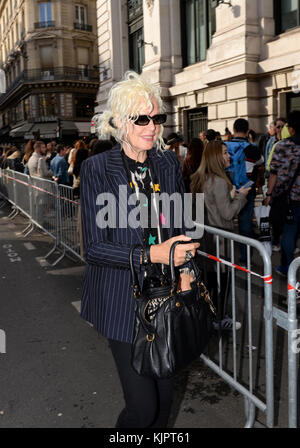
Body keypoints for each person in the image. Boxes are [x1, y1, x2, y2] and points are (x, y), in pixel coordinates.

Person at [80, 71, 199, 428]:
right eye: (141, 119)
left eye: (156, 118)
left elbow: (180, 225)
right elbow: (96, 249)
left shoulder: (167, 163)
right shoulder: (97, 169)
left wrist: (186, 268)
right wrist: (152, 254)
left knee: (164, 405)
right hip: (122, 301)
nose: (152, 127)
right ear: (118, 122)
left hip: (164, 298)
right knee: (142, 408)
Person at [190, 140, 250, 329]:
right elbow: (227, 213)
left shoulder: (199, 178)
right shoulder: (219, 181)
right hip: (221, 241)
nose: (229, 156)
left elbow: (210, 206)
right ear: (216, 157)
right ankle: (219, 319)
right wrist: (242, 196)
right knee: (222, 284)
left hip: (205, 239)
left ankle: (208, 318)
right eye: (225, 152)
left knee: (209, 284)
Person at [264, 111, 300, 277]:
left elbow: (274, 174)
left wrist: (269, 194)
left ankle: (287, 267)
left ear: (291, 129)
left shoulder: (282, 146)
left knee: (289, 232)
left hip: (288, 198)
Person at [225, 118, 263, 263]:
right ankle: (245, 257)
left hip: (227, 189)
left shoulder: (224, 146)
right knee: (245, 224)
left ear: (233, 130)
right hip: (246, 190)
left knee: (225, 222)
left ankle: (224, 255)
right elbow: (260, 162)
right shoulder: (252, 148)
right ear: (247, 131)